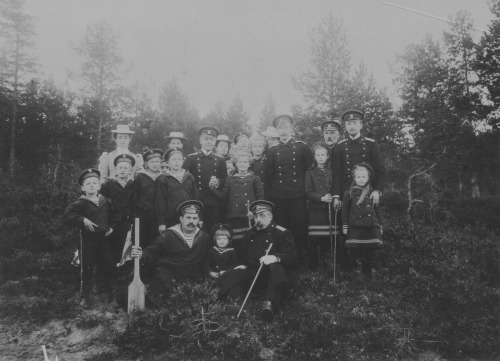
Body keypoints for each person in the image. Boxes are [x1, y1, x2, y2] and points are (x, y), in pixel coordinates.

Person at [217, 200, 298, 322]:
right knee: (234, 273)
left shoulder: (281, 233)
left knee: (275, 267)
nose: (259, 219)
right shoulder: (250, 233)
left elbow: (292, 257)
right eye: (256, 216)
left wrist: (275, 257)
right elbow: (243, 256)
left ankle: (269, 305)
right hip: (254, 271)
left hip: (273, 275)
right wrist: (241, 265)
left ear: (270, 216)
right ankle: (237, 304)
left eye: (262, 215)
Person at [62, 168, 121, 309]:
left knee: (109, 266)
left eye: (94, 183)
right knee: (86, 267)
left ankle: (113, 299)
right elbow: (67, 217)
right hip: (87, 241)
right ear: (83, 187)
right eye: (88, 183)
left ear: (99, 186)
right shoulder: (79, 203)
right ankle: (84, 297)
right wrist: (82, 220)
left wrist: (112, 226)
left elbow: (117, 214)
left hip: (103, 240)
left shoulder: (106, 201)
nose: (92, 185)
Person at [264, 114, 314, 262]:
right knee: (282, 228)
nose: (284, 130)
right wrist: (268, 200)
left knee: (300, 227)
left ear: (292, 128)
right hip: (279, 196)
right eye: (280, 127)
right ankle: (284, 259)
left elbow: (310, 170)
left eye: (286, 127)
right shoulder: (272, 151)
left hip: (298, 195)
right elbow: (268, 177)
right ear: (276, 130)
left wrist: (307, 193)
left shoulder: (302, 147)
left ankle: (301, 258)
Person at [130, 200, 211, 291]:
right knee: (164, 282)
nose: (191, 221)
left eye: (194, 218)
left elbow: (208, 258)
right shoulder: (168, 235)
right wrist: (140, 254)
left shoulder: (204, 237)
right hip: (171, 272)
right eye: (188, 217)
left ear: (199, 220)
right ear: (181, 219)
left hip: (192, 274)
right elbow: (152, 252)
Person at [211, 151, 264, 258]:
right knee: (237, 242)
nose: (242, 164)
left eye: (245, 162)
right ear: (236, 164)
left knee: (250, 240)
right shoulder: (230, 179)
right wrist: (213, 188)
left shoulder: (255, 179)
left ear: (249, 164)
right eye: (240, 162)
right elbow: (223, 195)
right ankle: (237, 263)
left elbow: (260, 198)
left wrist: (254, 212)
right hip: (234, 216)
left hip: (249, 216)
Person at [332, 110, 386, 212]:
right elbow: (337, 173)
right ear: (345, 126)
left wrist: (377, 191)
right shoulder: (340, 146)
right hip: (347, 194)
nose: (351, 126)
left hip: (369, 193)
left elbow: (380, 170)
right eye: (348, 123)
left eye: (354, 123)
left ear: (361, 125)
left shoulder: (371, 144)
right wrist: (336, 195)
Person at [341, 163, 383, 278]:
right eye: (358, 177)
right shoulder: (349, 192)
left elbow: (377, 210)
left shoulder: (373, 193)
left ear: (368, 178)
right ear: (354, 178)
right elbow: (345, 210)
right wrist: (345, 225)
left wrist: (380, 225)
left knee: (370, 253)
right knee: (355, 252)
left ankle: (368, 275)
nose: (361, 179)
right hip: (355, 226)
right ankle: (355, 276)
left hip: (371, 226)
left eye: (364, 177)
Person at [305, 142, 342, 268]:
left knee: (330, 239)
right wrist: (321, 198)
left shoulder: (332, 171)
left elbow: (337, 186)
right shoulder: (310, 172)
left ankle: (330, 265)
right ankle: (316, 268)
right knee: (317, 240)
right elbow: (308, 192)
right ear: (314, 157)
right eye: (318, 155)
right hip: (316, 210)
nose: (320, 157)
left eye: (323, 155)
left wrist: (334, 197)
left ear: (327, 156)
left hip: (330, 209)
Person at [183, 126, 227, 232]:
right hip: (195, 201)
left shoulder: (220, 160)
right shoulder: (191, 158)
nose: (208, 142)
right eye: (206, 139)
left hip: (213, 201)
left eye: (211, 139)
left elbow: (224, 179)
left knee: (213, 230)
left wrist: (217, 182)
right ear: (200, 140)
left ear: (215, 141)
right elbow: (184, 180)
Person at [99, 154, 136, 264]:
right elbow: (102, 202)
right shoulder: (108, 184)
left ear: (130, 170)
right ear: (115, 169)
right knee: (107, 245)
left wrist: (130, 219)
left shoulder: (132, 185)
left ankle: (115, 270)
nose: (123, 170)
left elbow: (133, 203)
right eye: (120, 167)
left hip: (124, 222)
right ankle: (105, 271)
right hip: (109, 221)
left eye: (126, 168)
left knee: (119, 245)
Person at [157, 148, 199, 230]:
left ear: (183, 161)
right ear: (167, 162)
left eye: (179, 159)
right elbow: (160, 202)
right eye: (173, 159)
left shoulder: (189, 177)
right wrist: (161, 222)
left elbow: (196, 198)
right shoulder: (164, 179)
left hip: (188, 216)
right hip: (171, 218)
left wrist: (199, 217)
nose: (177, 161)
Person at [134, 149, 163, 249]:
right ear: (146, 164)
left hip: (159, 217)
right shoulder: (140, 177)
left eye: (157, 161)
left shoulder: (164, 177)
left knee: (158, 243)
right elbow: (134, 197)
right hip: (143, 216)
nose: (154, 164)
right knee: (141, 242)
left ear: (161, 162)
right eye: (152, 162)